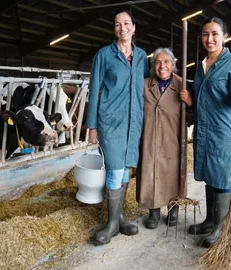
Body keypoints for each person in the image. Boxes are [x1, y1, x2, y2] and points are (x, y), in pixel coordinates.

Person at [179, 17, 231, 248]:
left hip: (223, 130)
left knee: (221, 175)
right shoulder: (201, 65)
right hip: (203, 130)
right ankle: (210, 219)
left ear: (225, 37)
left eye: (214, 34)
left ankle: (221, 226)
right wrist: (191, 100)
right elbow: (202, 98)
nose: (209, 39)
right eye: (205, 34)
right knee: (209, 173)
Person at [86, 9, 149, 246]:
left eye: (126, 24)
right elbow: (94, 91)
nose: (122, 28)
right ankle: (111, 224)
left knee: (124, 170)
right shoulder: (104, 55)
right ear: (114, 30)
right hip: (110, 121)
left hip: (134, 122)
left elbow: (147, 85)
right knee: (114, 169)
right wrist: (92, 126)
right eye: (117, 25)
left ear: (134, 28)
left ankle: (120, 217)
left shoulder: (142, 56)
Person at [136, 48, 189, 229]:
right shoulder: (144, 85)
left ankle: (173, 210)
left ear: (173, 65)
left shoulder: (182, 85)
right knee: (151, 172)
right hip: (150, 136)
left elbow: (196, 110)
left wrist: (189, 101)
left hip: (172, 137)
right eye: (158, 62)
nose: (162, 66)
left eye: (166, 62)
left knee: (173, 173)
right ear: (153, 66)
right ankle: (153, 212)